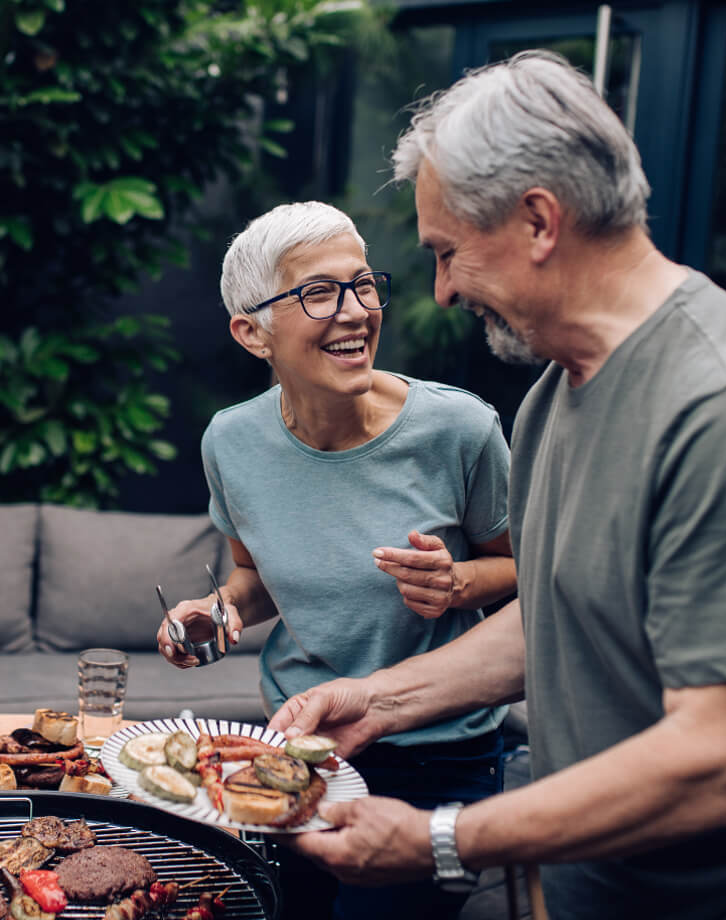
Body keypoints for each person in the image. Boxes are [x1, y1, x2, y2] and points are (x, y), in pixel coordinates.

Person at [268, 51, 726, 919]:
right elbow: (562, 616)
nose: (441, 289)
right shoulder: (554, 394)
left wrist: (440, 839)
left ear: (539, 221)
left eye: (447, 253)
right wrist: (382, 699)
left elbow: (722, 762)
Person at [155, 200, 516, 919]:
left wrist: (456, 584)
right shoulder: (230, 442)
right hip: (294, 747)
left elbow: (522, 579)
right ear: (251, 332)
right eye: (318, 292)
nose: (355, 312)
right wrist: (215, 614)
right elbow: (254, 578)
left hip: (435, 753)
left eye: (364, 284)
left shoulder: (461, 429)